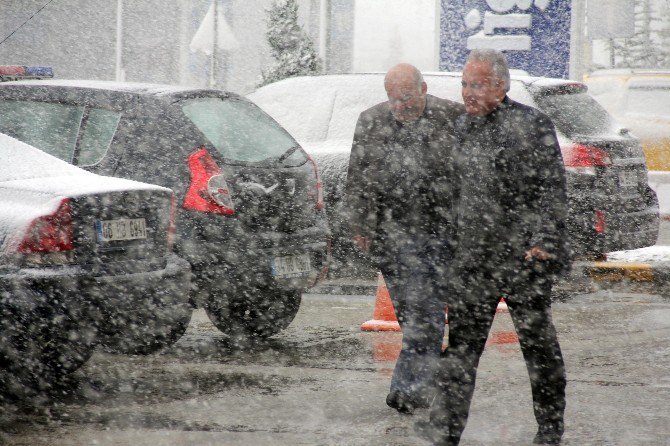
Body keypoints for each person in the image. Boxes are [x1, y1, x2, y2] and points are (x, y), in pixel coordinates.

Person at [415, 49, 570, 445]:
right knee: (462, 351)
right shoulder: (460, 128)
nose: (468, 93)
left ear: (501, 86)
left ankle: (550, 430)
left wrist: (545, 241)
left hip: (524, 259)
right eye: (465, 84)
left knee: (538, 347)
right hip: (474, 259)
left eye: (478, 84)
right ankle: (445, 432)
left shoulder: (531, 124)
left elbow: (551, 189)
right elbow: (447, 194)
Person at [344, 63, 464, 413]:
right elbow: (358, 174)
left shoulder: (451, 117)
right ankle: (432, 376)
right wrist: (360, 224)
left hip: (438, 232)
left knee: (425, 315)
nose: (399, 106)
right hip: (391, 234)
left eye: (406, 97)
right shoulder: (371, 120)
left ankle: (405, 391)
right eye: (392, 98)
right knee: (413, 317)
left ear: (423, 89)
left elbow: (471, 175)